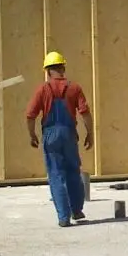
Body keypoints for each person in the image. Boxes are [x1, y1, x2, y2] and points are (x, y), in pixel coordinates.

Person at [25, 51, 92, 227]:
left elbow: (30, 115)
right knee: (73, 171)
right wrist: (90, 133)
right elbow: (85, 113)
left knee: (56, 175)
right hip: (69, 134)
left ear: (47, 71)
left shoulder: (43, 89)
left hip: (51, 135)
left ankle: (64, 217)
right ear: (63, 68)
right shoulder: (74, 88)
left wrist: (32, 135)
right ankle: (77, 210)